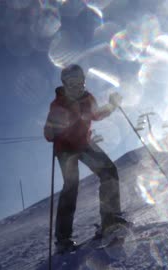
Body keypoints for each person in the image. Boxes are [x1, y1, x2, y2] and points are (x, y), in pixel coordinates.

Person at [43, 64, 131, 252]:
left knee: (108, 170)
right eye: (72, 84)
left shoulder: (87, 98)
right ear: (65, 84)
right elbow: (48, 134)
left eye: (80, 83)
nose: (77, 87)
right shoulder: (58, 103)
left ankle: (110, 220)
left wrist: (112, 105)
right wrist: (53, 129)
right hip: (65, 148)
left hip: (83, 143)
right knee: (71, 186)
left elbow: (96, 114)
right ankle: (63, 239)